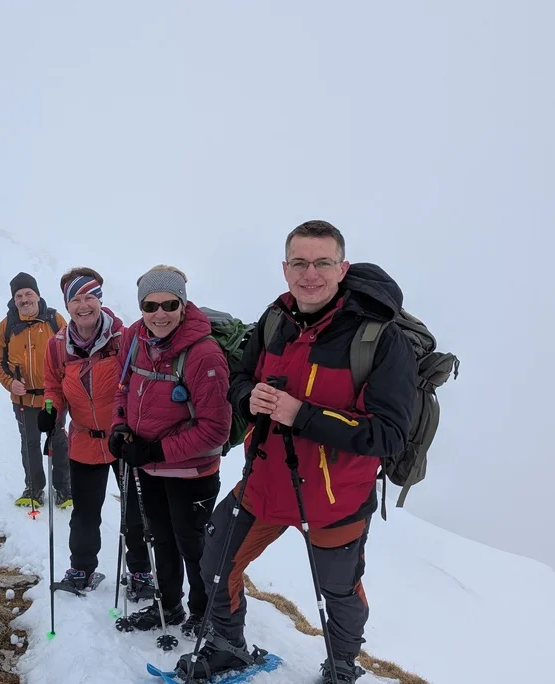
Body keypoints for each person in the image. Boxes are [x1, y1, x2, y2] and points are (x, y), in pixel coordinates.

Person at [176, 221, 415, 684]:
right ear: (285, 268)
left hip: (335, 499)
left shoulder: (381, 339)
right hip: (263, 484)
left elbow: (388, 434)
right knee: (216, 564)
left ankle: (341, 666)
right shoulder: (274, 320)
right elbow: (240, 379)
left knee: (337, 591)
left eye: (323, 262)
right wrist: (249, 397)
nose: (311, 274)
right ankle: (228, 646)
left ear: (342, 268)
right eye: (300, 263)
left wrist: (302, 414)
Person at [109, 265, 231, 636]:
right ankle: (168, 605)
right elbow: (122, 388)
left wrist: (155, 451)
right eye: (150, 305)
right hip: (149, 466)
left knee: (193, 545)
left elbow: (216, 430)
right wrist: (119, 426)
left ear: (183, 304)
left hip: (192, 472)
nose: (159, 314)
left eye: (169, 304)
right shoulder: (134, 338)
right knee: (160, 539)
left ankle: (203, 613)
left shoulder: (204, 355)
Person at [37, 267, 154, 599]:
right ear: (67, 305)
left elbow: (139, 382)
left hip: (124, 439)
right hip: (84, 439)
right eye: (75, 299)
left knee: (135, 513)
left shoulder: (125, 339)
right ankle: (81, 569)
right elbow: (53, 388)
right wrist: (50, 412)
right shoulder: (57, 346)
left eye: (89, 297)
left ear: (100, 300)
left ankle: (141, 572)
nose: (83, 305)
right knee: (84, 513)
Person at [0, 271, 72, 508]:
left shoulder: (55, 320)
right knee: (30, 444)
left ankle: (64, 489)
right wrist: (10, 382)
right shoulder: (6, 326)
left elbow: (72, 355)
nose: (24, 299)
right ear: (13, 299)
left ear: (37, 295)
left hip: (53, 397)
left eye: (28, 294)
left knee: (58, 442)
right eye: (19, 296)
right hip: (23, 400)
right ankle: (34, 489)